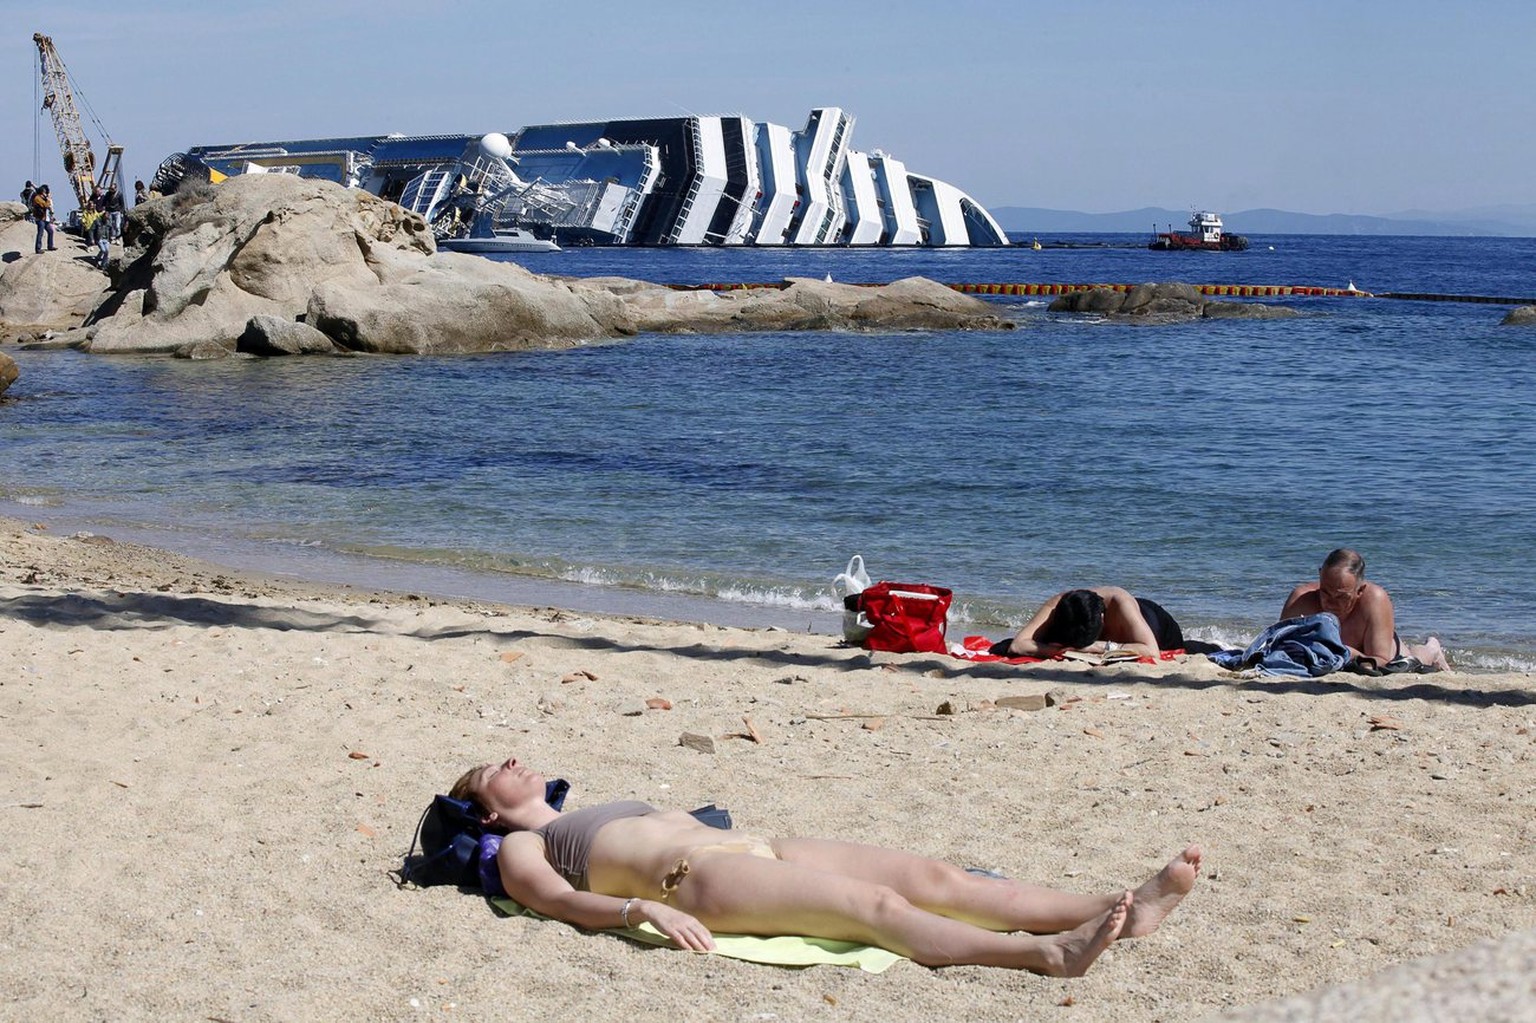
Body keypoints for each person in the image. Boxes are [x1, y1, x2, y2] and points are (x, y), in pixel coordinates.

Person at [449, 755, 1200, 976]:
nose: (511, 760)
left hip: (765, 848)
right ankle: (1044, 954)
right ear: (485, 811)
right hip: (695, 882)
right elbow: (550, 900)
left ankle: (1120, 903)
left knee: (944, 879)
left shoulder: (588, 805)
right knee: (877, 908)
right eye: (491, 769)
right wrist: (640, 909)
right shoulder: (522, 846)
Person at [1280, 548, 1449, 671]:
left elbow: (1382, 661)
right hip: (1350, 656)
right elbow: (1277, 646)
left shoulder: (1375, 599)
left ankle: (1433, 648)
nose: (1330, 603)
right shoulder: (1300, 600)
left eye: (1341, 597)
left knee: (1415, 659)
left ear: (1359, 591)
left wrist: (1345, 652)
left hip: (1387, 652)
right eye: (1325, 592)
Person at [993, 586, 1184, 660]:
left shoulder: (1120, 602)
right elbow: (1018, 644)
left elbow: (1152, 651)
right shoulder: (1059, 604)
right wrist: (1067, 651)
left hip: (1155, 624)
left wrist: (1098, 647)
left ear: (1102, 619)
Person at [30, 185, 56, 253]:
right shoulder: (37, 198)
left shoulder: (42, 198)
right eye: (44, 193)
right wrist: (48, 199)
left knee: (50, 231)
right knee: (40, 233)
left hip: (44, 219)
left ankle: (50, 246)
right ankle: (38, 249)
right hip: (40, 219)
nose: (45, 194)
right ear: (41, 193)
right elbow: (45, 205)